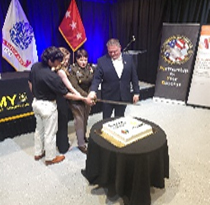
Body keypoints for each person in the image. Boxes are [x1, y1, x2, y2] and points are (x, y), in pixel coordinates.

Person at [28, 46, 93, 165]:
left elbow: (30, 82)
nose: (61, 62)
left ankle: (38, 153)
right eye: (59, 60)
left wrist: (35, 95)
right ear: (51, 60)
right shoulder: (53, 76)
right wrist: (83, 98)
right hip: (48, 106)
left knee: (39, 129)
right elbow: (67, 94)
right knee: (50, 133)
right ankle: (50, 157)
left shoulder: (35, 66)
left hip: (36, 103)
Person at [88, 38, 140, 119]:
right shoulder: (102, 61)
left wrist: (136, 92)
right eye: (110, 52)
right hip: (108, 97)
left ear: (120, 48)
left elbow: (134, 77)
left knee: (119, 119)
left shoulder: (129, 59)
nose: (112, 54)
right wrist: (93, 91)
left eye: (115, 51)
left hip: (123, 96)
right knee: (106, 119)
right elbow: (97, 78)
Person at [52, 47, 81, 154]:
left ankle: (58, 143)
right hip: (61, 99)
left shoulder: (55, 68)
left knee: (59, 123)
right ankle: (63, 146)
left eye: (68, 60)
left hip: (57, 97)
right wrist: (80, 96)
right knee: (62, 123)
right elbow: (70, 87)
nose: (66, 62)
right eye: (64, 60)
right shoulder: (60, 72)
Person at [68, 49, 95, 154]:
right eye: (81, 60)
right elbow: (74, 86)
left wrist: (91, 94)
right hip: (77, 99)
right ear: (76, 59)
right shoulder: (73, 69)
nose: (83, 62)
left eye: (85, 59)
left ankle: (83, 136)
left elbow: (93, 82)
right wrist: (85, 96)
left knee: (86, 118)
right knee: (79, 120)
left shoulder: (90, 68)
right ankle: (81, 144)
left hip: (88, 98)